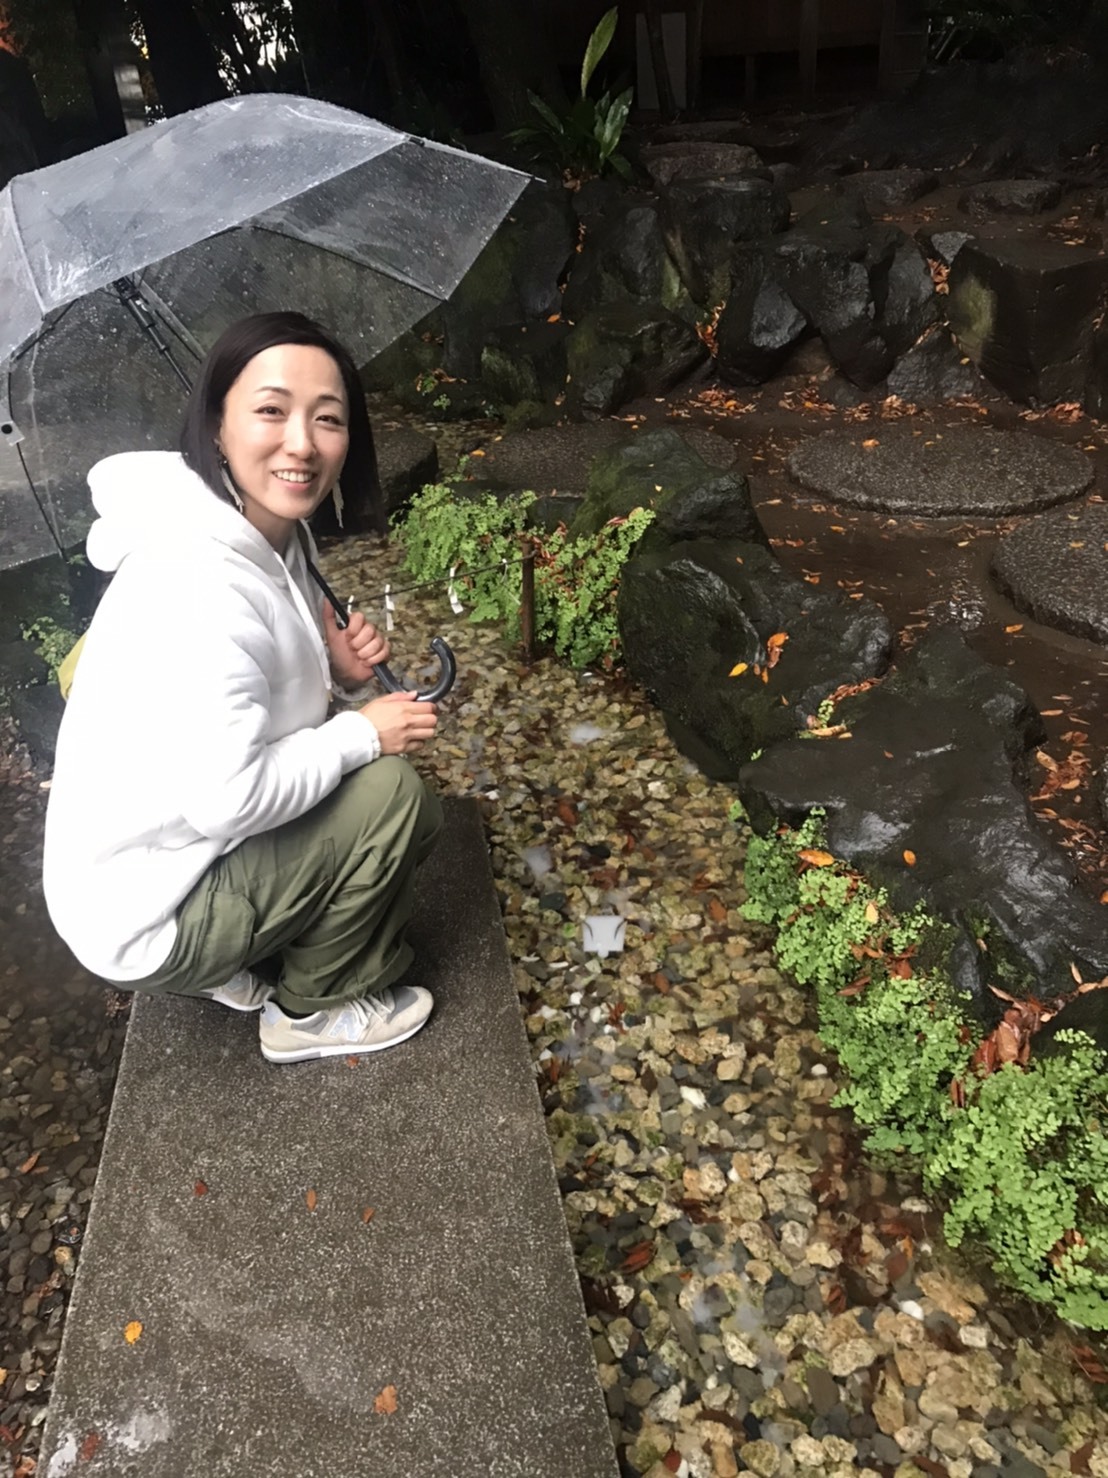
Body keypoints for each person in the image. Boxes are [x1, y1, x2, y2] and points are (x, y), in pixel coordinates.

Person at [43, 311, 443, 1064]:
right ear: (217, 426)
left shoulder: (263, 526)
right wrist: (364, 731)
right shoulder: (194, 582)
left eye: (328, 419)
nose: (302, 443)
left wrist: (338, 674)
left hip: (164, 852)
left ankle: (243, 951)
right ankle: (311, 1011)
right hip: (145, 912)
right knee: (395, 798)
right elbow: (232, 797)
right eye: (270, 410)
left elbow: (241, 718)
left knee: (372, 783)